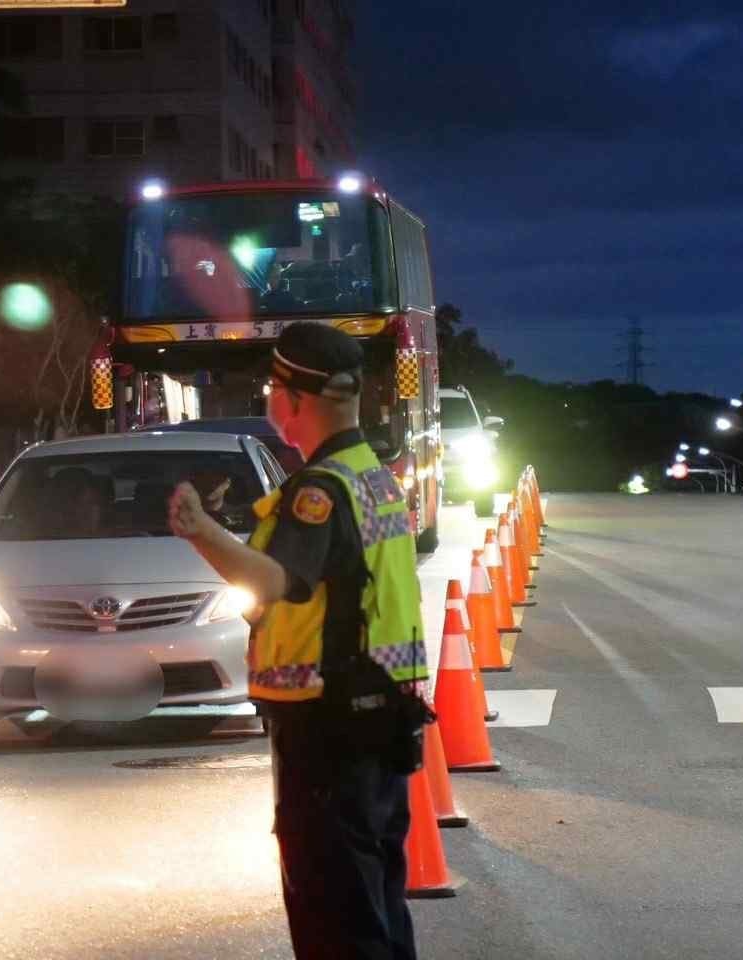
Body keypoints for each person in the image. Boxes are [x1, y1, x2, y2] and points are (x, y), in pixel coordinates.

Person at [168, 321, 429, 960]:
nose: (267, 400)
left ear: (293, 399)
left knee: (334, 910)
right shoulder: (372, 475)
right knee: (376, 904)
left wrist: (200, 530)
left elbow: (281, 579)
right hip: (379, 714)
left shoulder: (319, 490)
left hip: (328, 724)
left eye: (270, 387)